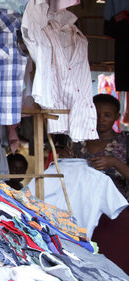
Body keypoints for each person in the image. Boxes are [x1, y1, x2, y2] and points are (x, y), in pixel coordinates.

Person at [70, 93, 129, 273]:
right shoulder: (77, 143)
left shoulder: (125, 142)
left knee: (116, 261)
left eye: (107, 115)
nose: (100, 119)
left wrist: (115, 163)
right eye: (96, 114)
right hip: (83, 213)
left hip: (117, 214)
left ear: (117, 117)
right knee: (86, 264)